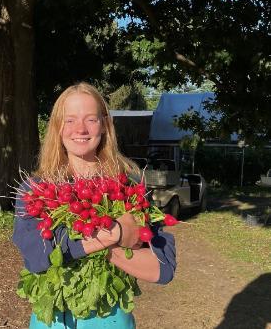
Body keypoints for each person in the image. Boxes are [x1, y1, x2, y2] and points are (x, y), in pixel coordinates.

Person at [13, 82, 176, 328]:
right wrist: (117, 233)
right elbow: (37, 256)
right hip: (54, 321)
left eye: (91, 119)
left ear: (104, 125)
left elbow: (161, 268)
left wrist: (78, 245)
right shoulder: (37, 189)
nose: (80, 129)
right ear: (58, 128)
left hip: (110, 320)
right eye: (70, 120)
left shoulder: (128, 186)